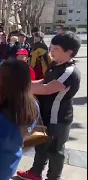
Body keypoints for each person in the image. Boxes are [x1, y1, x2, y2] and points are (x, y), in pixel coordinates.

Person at [17, 32, 81, 180]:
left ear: (69, 52)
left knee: (55, 151)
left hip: (58, 119)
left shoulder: (69, 72)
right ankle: (35, 172)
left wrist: (19, 87)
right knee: (41, 145)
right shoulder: (55, 65)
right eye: (51, 47)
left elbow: (47, 89)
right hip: (45, 115)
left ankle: (53, 177)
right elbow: (43, 82)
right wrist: (24, 83)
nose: (51, 50)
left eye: (56, 48)